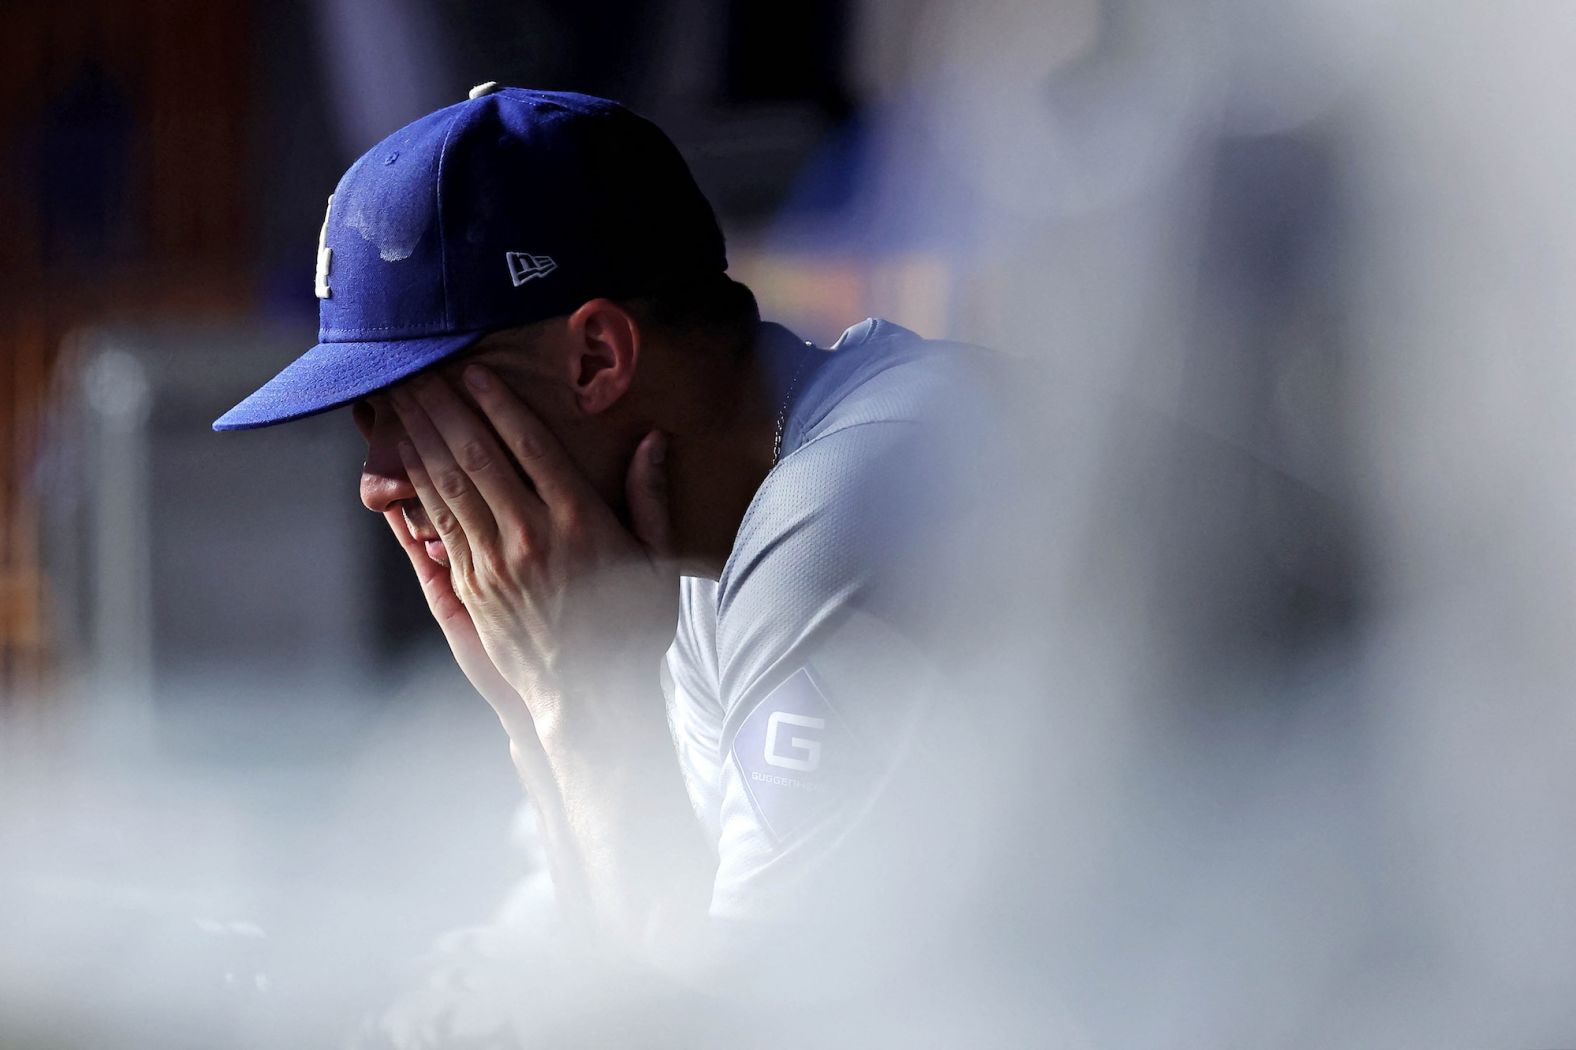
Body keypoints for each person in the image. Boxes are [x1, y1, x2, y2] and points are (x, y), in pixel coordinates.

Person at [215, 85, 1045, 1024]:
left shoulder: (850, 503)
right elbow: (557, 964)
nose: (378, 482)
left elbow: (715, 1032)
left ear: (597, 359)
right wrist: (535, 717)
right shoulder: (661, 550)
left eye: (410, 407)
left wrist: (584, 695)